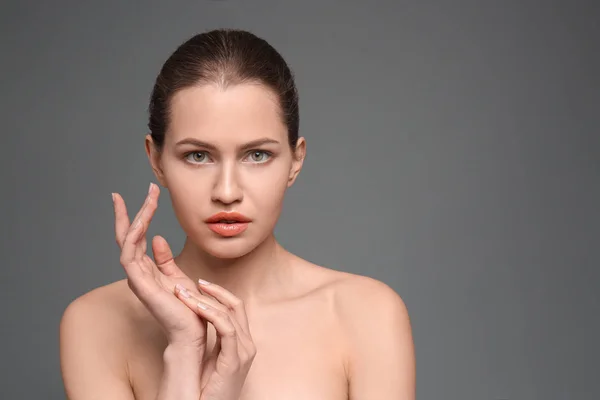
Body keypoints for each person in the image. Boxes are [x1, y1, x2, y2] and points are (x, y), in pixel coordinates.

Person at [59, 28, 415, 400]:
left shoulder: (367, 314)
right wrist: (184, 349)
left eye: (257, 155)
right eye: (198, 156)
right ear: (156, 160)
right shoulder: (96, 323)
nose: (227, 192)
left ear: (296, 160)